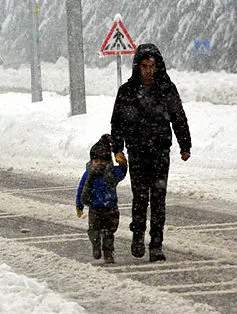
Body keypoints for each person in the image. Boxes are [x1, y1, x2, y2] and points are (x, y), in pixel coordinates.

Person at [110, 43, 191, 262]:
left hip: (160, 151)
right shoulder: (127, 91)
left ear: (158, 66)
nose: (148, 70)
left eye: (152, 66)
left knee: (158, 198)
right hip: (136, 151)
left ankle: (156, 244)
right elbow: (117, 123)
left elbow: (178, 117)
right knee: (140, 196)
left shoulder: (166, 89)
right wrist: (117, 149)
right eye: (144, 66)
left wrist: (185, 145)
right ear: (138, 66)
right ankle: (138, 235)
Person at [76, 134, 127, 264]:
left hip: (111, 208)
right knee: (94, 231)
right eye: (96, 160)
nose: (99, 163)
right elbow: (81, 189)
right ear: (91, 161)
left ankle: (108, 252)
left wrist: (122, 162)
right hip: (95, 208)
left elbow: (122, 172)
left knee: (109, 232)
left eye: (102, 160)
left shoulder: (111, 173)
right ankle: (96, 244)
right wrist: (79, 205)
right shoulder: (88, 174)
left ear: (108, 161)